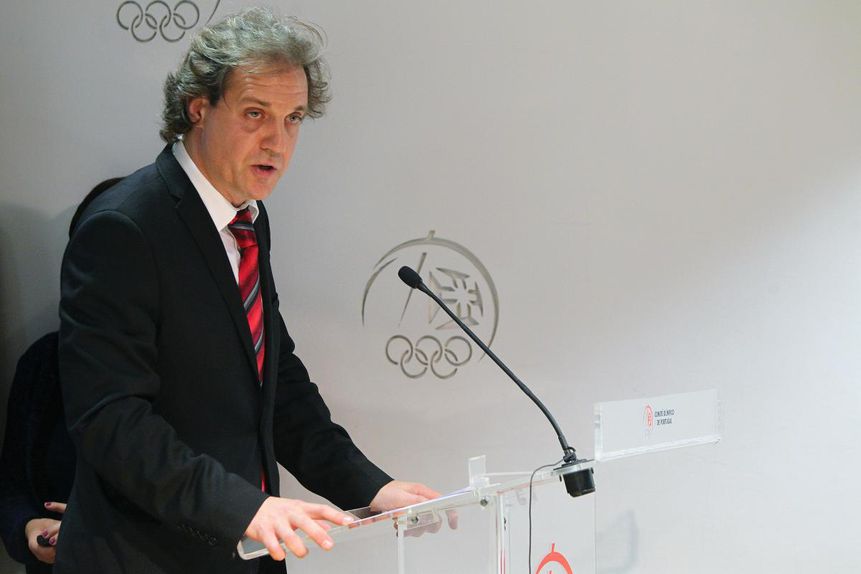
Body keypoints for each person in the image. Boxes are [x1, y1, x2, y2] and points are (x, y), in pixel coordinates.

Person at [56, 9, 439, 574]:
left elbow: (275, 384)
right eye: (255, 114)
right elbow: (111, 421)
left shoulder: (248, 219)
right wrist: (244, 509)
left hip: (247, 555)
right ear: (199, 108)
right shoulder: (124, 228)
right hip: (144, 557)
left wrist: (369, 487)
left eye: (293, 119)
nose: (277, 142)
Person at [0, 178, 123, 572]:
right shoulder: (43, 362)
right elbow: (12, 487)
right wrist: (29, 529)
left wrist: (110, 530)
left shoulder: (198, 368)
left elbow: (213, 500)